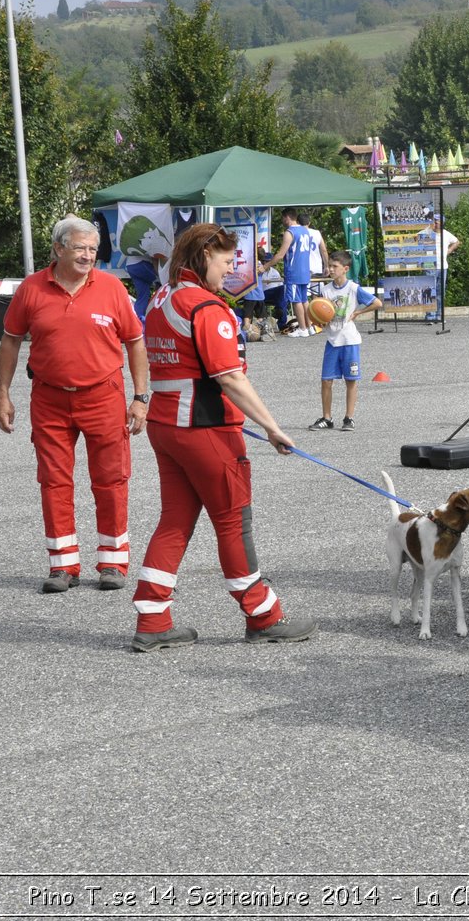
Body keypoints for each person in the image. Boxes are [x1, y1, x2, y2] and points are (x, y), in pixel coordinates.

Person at [132, 223, 315, 652]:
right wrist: (272, 427)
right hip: (205, 429)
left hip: (167, 426)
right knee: (233, 522)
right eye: (226, 260)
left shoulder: (163, 298)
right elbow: (229, 377)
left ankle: (152, 616)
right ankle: (262, 614)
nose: (232, 268)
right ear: (202, 258)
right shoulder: (205, 307)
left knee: (174, 520)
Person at [0, 216, 150, 593]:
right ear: (58, 248)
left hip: (104, 396)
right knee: (53, 482)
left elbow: (135, 344)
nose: (87, 255)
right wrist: (3, 393)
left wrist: (140, 398)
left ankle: (113, 563)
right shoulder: (31, 290)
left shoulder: (112, 289)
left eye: (93, 249)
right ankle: (62, 566)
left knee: (111, 481)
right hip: (49, 399)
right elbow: (11, 341)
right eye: (80, 248)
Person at [309, 250, 382, 431]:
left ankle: (349, 418)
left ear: (345, 268)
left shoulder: (353, 288)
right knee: (326, 381)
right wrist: (317, 319)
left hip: (349, 341)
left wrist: (358, 312)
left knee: (351, 380)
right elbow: (321, 314)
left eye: (335, 267)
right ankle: (327, 418)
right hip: (332, 341)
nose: (331, 269)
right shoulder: (325, 290)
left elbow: (377, 303)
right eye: (330, 266)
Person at [262, 209, 316, 336]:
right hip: (304, 270)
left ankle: (302, 329)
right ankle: (309, 326)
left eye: (283, 218)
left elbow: (281, 255)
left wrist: (265, 266)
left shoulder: (290, 232)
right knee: (304, 299)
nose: (282, 221)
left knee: (296, 300)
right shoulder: (305, 230)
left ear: (287, 217)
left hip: (294, 270)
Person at [428, 210, 459, 323]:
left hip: (443, 267)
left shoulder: (446, 234)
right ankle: (430, 316)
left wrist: (450, 250)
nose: (435, 224)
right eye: (434, 221)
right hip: (429, 266)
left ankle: (439, 315)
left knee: (441, 292)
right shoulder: (426, 232)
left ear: (442, 223)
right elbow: (416, 239)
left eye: (437, 221)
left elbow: (456, 241)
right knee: (430, 291)